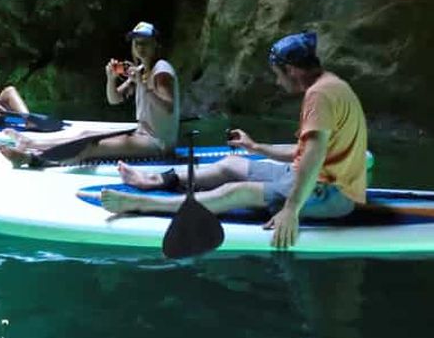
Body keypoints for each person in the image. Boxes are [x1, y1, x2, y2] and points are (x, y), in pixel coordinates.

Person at [96, 30, 368, 249]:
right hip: (311, 178)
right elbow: (306, 149)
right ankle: (155, 180)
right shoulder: (331, 84)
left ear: (292, 70)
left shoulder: (318, 97)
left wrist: (291, 209)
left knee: (235, 192)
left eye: (277, 73)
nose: (277, 81)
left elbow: (314, 154)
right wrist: (256, 147)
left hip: (329, 194)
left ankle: (141, 204)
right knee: (231, 165)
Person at [0, 21, 179, 166]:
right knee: (84, 134)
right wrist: (111, 78)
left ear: (156, 44)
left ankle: (34, 159)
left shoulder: (161, 71)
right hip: (142, 134)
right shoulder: (140, 70)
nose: (140, 47)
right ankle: (31, 144)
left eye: (145, 42)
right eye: (137, 43)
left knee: (91, 146)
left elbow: (168, 107)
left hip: (158, 142)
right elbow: (114, 99)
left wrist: (142, 84)